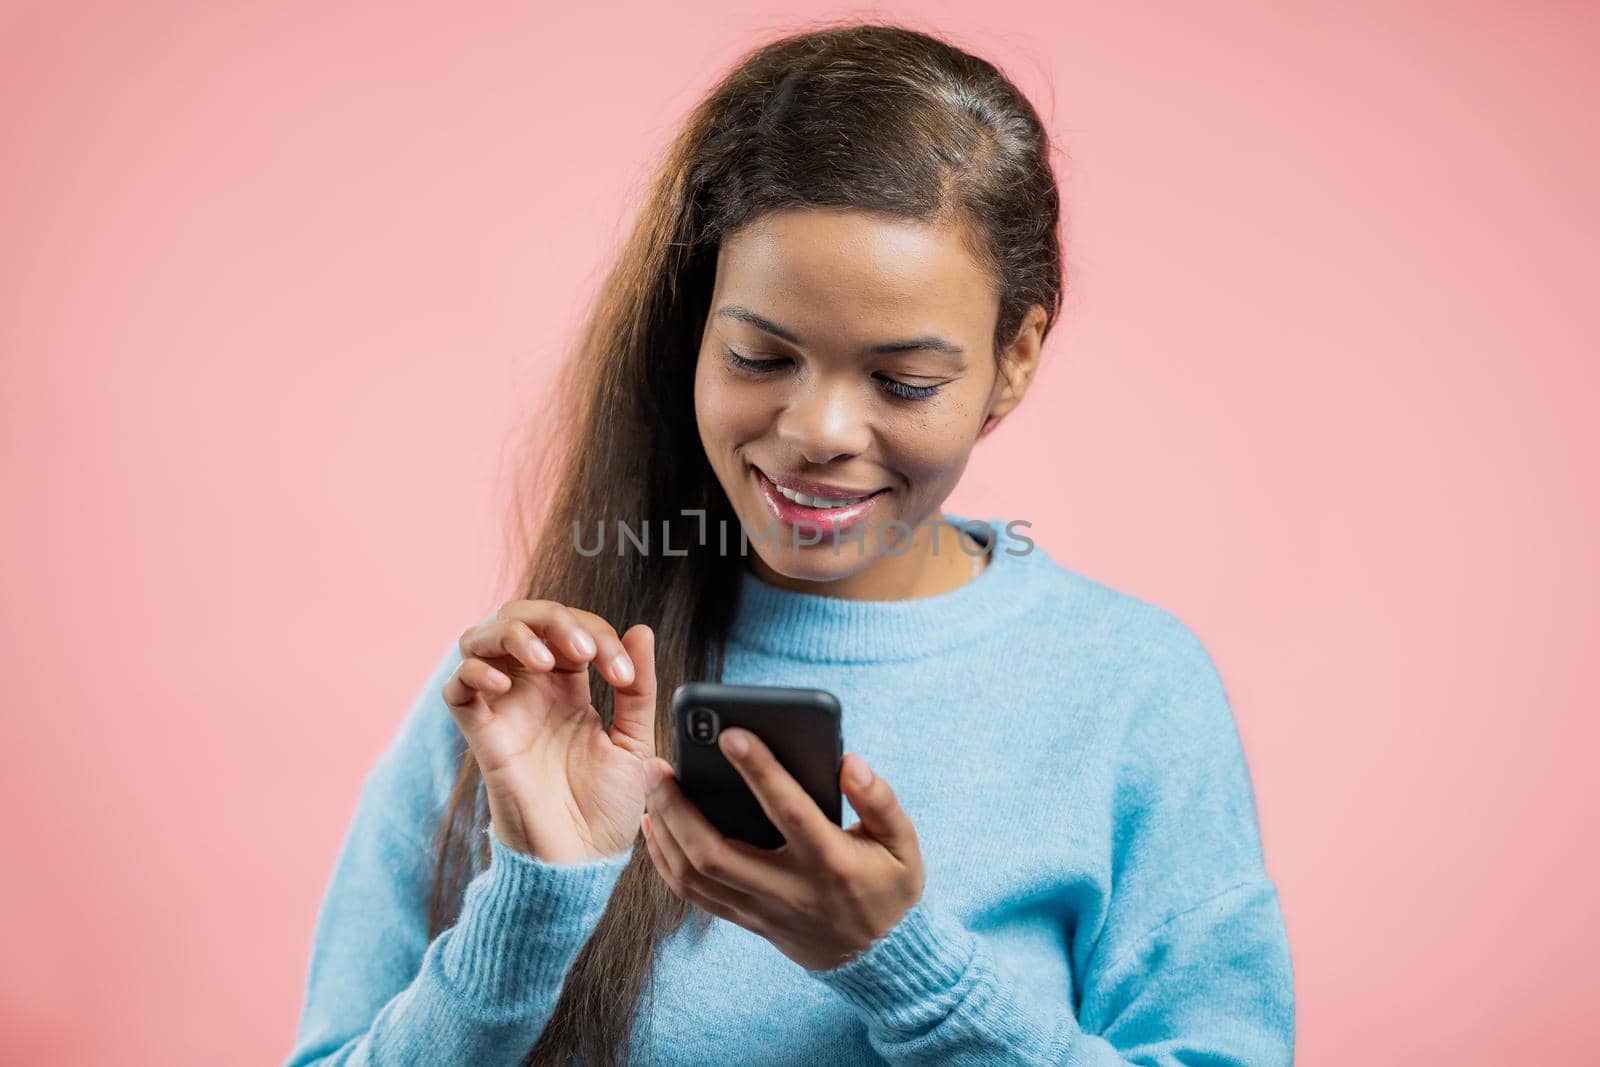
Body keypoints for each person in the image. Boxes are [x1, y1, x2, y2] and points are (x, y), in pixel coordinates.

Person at [283, 20, 1294, 1067]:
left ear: (1016, 355)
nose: (818, 433)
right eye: (760, 356)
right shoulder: (531, 695)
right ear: (695, 333)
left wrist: (900, 961)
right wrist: (533, 907)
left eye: (903, 380)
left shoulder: (1131, 688)